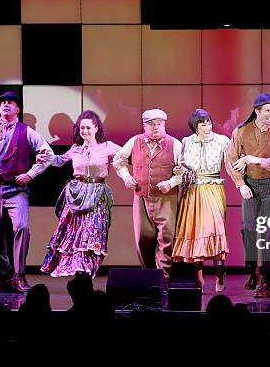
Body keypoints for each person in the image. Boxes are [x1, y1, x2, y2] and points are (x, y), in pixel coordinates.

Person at [0, 91, 53, 293]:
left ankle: (19, 275)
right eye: (3, 103)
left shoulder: (27, 132)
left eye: (10, 103)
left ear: (18, 109)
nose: (6, 105)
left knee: (22, 227)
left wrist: (31, 174)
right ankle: (5, 275)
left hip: (17, 189)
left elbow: (47, 153)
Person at [40, 110, 121, 278]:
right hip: (76, 196)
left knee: (91, 234)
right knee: (74, 234)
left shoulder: (108, 147)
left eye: (88, 128)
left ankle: (86, 271)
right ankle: (79, 273)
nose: (84, 131)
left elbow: (128, 155)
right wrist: (46, 158)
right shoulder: (76, 149)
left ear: (96, 128)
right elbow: (58, 161)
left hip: (97, 196)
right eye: (81, 128)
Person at [227, 93, 270, 298]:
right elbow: (232, 160)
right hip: (250, 185)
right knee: (248, 228)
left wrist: (257, 160)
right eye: (267, 111)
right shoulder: (241, 131)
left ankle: (266, 278)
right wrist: (240, 184)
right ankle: (252, 269)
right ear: (257, 111)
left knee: (269, 231)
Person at [113, 109, 182, 283]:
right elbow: (118, 160)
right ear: (144, 125)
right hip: (141, 197)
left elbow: (186, 170)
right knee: (143, 239)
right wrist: (126, 176)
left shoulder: (175, 144)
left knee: (167, 238)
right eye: (151, 124)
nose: (156, 127)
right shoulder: (135, 142)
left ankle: (163, 279)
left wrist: (171, 183)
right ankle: (149, 277)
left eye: (159, 124)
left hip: (166, 199)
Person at [172, 109, 231, 292]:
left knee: (215, 229)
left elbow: (230, 164)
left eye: (209, 122)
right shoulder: (187, 142)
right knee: (194, 232)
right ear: (195, 126)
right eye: (202, 124)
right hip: (192, 191)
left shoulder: (222, 141)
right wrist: (178, 171)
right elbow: (182, 165)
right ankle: (199, 278)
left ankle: (220, 274)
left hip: (212, 188)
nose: (207, 126)